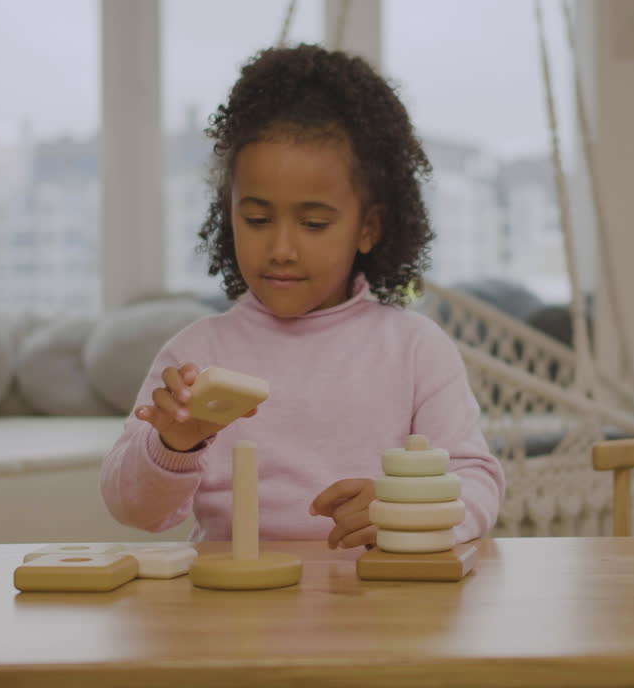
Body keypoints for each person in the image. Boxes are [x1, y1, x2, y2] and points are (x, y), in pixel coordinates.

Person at [100, 44, 504, 551]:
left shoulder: (416, 349)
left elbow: (476, 477)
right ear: (230, 215)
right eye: (257, 219)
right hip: (232, 615)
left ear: (368, 227)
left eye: (314, 223)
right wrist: (173, 446)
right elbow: (132, 509)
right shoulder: (196, 356)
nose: (282, 249)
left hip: (378, 611)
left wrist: (414, 516)